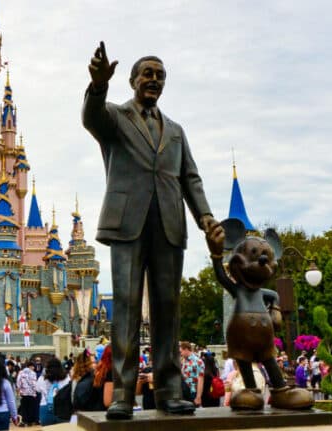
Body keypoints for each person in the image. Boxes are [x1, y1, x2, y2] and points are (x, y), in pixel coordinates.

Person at [82, 41, 220, 419]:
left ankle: (171, 391)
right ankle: (124, 394)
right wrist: (97, 86)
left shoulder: (175, 131)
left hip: (169, 225)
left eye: (160, 76)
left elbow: (190, 177)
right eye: (148, 73)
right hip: (128, 223)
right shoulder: (116, 117)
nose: (154, 80)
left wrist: (206, 219)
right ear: (131, 80)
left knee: (167, 310)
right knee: (125, 308)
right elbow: (91, 118)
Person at [35, 357, 70, 426]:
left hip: (45, 407)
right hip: (62, 408)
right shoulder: (66, 378)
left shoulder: (42, 378)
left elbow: (37, 389)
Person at [179, 342, 205, 406]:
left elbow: (200, 380)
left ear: (186, 350)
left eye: (181, 352)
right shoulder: (183, 360)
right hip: (183, 393)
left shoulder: (198, 361)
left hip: (192, 393)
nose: (180, 354)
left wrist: (198, 397)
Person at [16, 361, 39, 426]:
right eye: (33, 366)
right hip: (31, 394)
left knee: (24, 408)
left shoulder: (21, 372)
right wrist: (35, 392)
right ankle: (30, 422)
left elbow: (18, 382)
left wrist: (19, 390)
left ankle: (24, 421)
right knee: (31, 408)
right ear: (30, 366)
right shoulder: (33, 373)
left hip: (23, 393)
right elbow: (34, 384)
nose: (34, 368)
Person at [92, 345, 113, 412]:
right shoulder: (110, 372)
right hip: (107, 413)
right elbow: (108, 402)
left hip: (99, 409)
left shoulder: (102, 369)